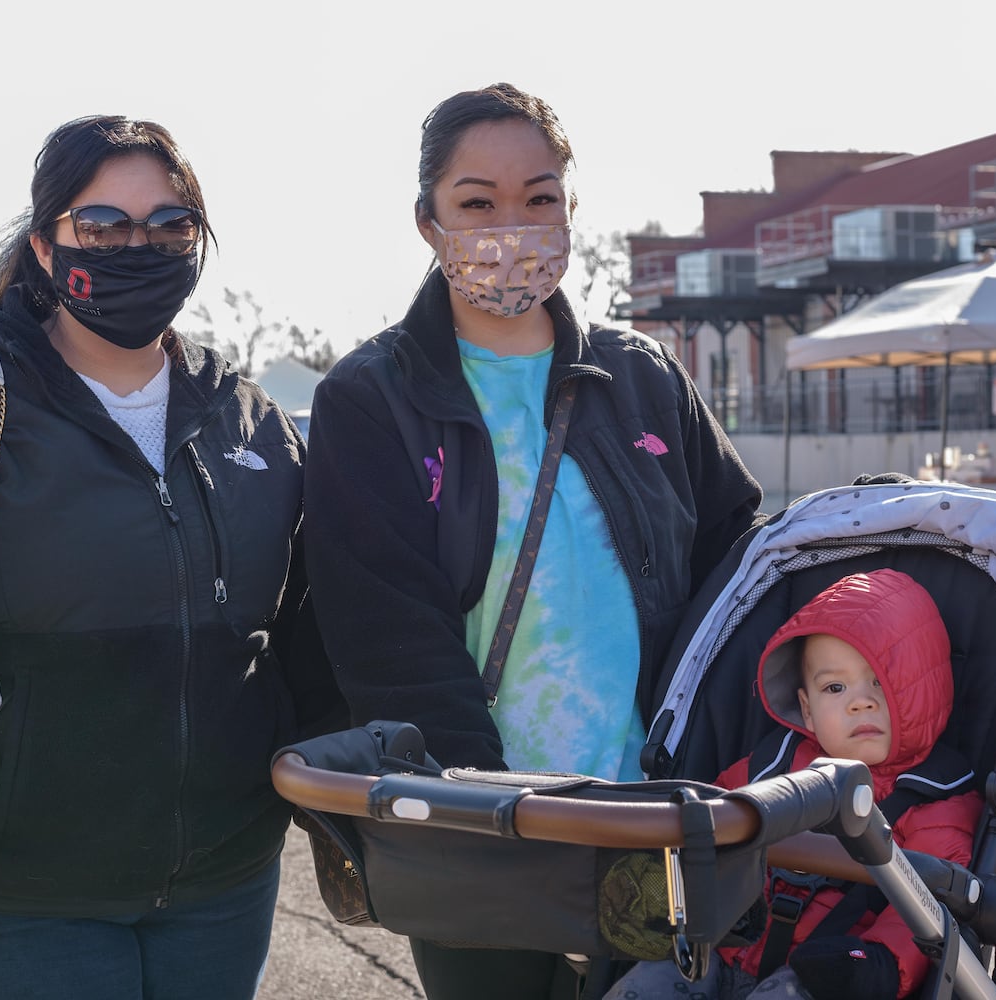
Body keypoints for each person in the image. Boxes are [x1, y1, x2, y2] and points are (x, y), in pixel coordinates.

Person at [0, 115, 343, 1000]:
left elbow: (298, 629)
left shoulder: (246, 416)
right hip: (15, 895)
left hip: (221, 883)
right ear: (44, 245)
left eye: (172, 226)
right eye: (103, 226)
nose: (141, 246)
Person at [303, 82, 764, 999]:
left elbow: (734, 556)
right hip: (481, 833)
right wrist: (492, 812)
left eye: (539, 197)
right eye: (477, 202)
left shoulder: (638, 374)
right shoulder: (370, 399)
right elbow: (385, 632)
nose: (511, 225)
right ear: (428, 222)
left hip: (657, 819)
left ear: (571, 210)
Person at [604, 569, 983, 1000]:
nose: (861, 701)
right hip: (724, 947)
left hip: (826, 976)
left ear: (923, 689)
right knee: (643, 986)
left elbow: (927, 910)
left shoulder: (936, 799)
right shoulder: (774, 763)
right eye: (835, 687)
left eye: (882, 680)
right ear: (807, 709)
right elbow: (708, 813)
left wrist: (880, 962)